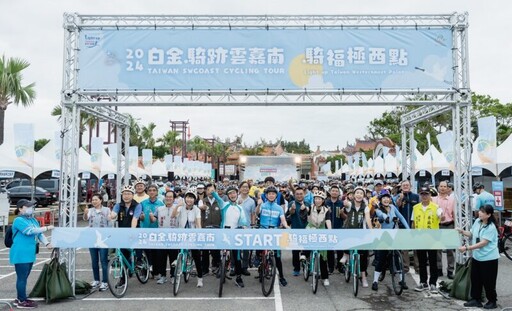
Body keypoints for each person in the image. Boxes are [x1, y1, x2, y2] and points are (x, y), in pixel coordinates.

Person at [10, 199, 54, 309]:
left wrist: (47, 243)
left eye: (31, 206)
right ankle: (21, 300)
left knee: (24, 276)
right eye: (27, 206)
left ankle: (21, 297)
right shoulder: (18, 220)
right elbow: (29, 231)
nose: (31, 208)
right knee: (22, 277)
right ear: (20, 209)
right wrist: (47, 227)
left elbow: (39, 234)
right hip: (20, 252)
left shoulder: (33, 220)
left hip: (30, 252)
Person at [457, 204, 499, 309]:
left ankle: (492, 301)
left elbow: (483, 243)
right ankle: (476, 299)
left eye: (482, 212)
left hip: (489, 258)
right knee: (475, 279)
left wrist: (467, 248)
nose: (479, 213)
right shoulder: (477, 222)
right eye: (480, 211)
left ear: (488, 215)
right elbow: (471, 234)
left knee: (488, 281)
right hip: (477, 257)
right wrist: (462, 232)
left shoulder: (491, 227)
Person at [211, 185, 249, 287]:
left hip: (235, 234)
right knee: (221, 254)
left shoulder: (240, 208)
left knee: (237, 257)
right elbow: (218, 198)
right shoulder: (224, 205)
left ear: (237, 194)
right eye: (230, 193)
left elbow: (243, 221)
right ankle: (221, 268)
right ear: (228, 195)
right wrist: (213, 192)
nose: (232, 195)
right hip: (224, 233)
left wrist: (244, 226)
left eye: (234, 193)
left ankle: (238, 277)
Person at [372, 189, 410, 291]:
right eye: (383, 198)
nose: (386, 200)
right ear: (380, 200)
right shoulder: (378, 209)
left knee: (397, 259)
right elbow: (381, 215)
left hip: (394, 234)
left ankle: (402, 280)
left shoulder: (393, 207)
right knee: (381, 259)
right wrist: (387, 218)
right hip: (383, 236)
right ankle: (375, 281)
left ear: (390, 199)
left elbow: (401, 218)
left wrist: (408, 229)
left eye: (387, 198)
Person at [255, 186, 290, 287]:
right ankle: (259, 264)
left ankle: (282, 277)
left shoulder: (279, 208)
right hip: (263, 230)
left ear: (276, 196)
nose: (271, 195)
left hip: (274, 232)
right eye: (269, 194)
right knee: (258, 249)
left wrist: (286, 226)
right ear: (266, 195)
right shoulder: (263, 205)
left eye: (273, 194)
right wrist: (258, 205)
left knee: (277, 257)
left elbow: (283, 220)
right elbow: (257, 213)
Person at [412, 186, 444, 293]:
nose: (424, 196)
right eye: (422, 194)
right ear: (420, 195)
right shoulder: (416, 207)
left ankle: (433, 283)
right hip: (420, 239)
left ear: (430, 195)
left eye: (426, 194)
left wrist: (441, 215)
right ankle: (423, 282)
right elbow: (413, 223)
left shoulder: (436, 207)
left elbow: (441, 216)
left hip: (432, 239)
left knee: (433, 261)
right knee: (421, 262)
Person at [110, 185, 142, 287]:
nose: (126, 196)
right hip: (122, 232)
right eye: (124, 194)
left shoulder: (137, 205)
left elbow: (135, 219)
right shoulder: (118, 205)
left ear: (133, 195)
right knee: (123, 255)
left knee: (137, 246)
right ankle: (122, 279)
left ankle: (139, 261)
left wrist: (132, 232)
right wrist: (111, 215)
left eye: (128, 194)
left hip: (134, 230)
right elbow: (113, 215)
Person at [173, 188, 204, 287]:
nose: (189, 200)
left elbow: (198, 223)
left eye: (191, 198)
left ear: (194, 199)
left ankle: (200, 278)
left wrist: (199, 234)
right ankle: (178, 262)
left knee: (197, 257)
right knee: (179, 251)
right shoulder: (181, 207)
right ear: (185, 198)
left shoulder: (197, 210)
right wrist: (178, 205)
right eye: (188, 197)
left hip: (192, 235)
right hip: (181, 234)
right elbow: (173, 216)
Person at [340, 186, 370, 287]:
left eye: (361, 193)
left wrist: (372, 231)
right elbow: (345, 203)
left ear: (363, 196)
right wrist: (344, 201)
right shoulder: (350, 204)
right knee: (345, 236)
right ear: (354, 195)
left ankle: (363, 277)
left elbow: (368, 220)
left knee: (363, 255)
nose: (359, 195)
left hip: (361, 232)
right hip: (349, 231)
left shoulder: (365, 207)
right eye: (357, 193)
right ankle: (345, 254)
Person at [83, 193, 111, 291]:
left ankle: (105, 281)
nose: (94, 201)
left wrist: (110, 217)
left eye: (96, 199)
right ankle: (96, 280)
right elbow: (86, 219)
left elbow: (110, 221)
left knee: (103, 260)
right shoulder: (90, 210)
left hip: (103, 239)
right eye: (93, 200)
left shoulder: (107, 210)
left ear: (101, 200)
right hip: (92, 238)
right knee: (94, 260)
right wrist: (86, 213)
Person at [305, 190, 332, 286]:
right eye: (316, 199)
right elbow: (305, 211)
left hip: (321, 231)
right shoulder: (310, 207)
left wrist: (330, 231)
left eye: (319, 199)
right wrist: (303, 208)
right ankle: (304, 254)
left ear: (323, 200)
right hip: (311, 229)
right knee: (307, 241)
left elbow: (328, 221)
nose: (317, 201)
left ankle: (325, 278)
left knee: (323, 256)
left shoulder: (326, 210)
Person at [154, 190, 179, 284]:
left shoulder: (177, 209)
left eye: (171, 197)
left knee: (173, 258)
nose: (168, 198)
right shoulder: (159, 209)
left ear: (173, 199)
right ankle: (163, 276)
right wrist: (151, 217)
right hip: (162, 237)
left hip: (173, 237)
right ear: (164, 198)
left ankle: (173, 276)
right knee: (161, 257)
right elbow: (153, 220)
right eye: (167, 196)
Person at [140, 184, 164, 279]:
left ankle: (156, 272)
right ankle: (145, 271)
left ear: (157, 192)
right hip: (145, 230)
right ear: (147, 192)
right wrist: (141, 218)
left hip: (157, 231)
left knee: (156, 252)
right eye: (150, 190)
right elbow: (140, 217)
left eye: (154, 190)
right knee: (146, 252)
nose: (152, 192)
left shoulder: (161, 203)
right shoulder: (142, 203)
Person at [395, 179, 420, 273]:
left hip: (415, 226)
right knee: (404, 248)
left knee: (416, 248)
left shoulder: (416, 197)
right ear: (401, 187)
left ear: (410, 186)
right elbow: (397, 206)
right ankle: (405, 267)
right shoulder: (398, 196)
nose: (405, 186)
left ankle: (418, 267)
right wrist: (400, 199)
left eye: (407, 185)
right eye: (403, 185)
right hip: (403, 226)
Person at [433, 180, 456, 279]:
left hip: (449, 225)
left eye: (444, 186)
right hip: (437, 226)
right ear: (438, 187)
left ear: (448, 188)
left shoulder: (452, 200)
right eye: (441, 186)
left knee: (450, 249)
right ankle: (438, 269)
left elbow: (454, 213)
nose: (442, 188)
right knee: (437, 249)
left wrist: (455, 226)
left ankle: (450, 270)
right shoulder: (433, 200)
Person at [287, 186, 310, 276]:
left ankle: (307, 267)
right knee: (295, 251)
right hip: (295, 230)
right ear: (294, 195)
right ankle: (296, 269)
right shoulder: (292, 203)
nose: (299, 196)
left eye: (301, 194)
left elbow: (309, 210)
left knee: (307, 249)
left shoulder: (307, 203)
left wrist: (305, 209)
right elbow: (290, 212)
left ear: (304, 194)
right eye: (297, 194)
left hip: (306, 230)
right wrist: (292, 209)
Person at [200, 183, 222, 276]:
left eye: (212, 190)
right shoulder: (202, 201)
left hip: (217, 228)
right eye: (208, 190)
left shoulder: (219, 202)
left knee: (216, 250)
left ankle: (216, 267)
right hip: (205, 228)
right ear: (206, 191)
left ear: (215, 191)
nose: (210, 192)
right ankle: (205, 269)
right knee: (205, 250)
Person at [324, 184, 344, 274]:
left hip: (339, 228)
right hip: (327, 229)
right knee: (330, 249)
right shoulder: (325, 202)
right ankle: (330, 267)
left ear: (339, 193)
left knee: (340, 249)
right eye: (333, 191)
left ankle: (340, 267)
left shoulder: (341, 203)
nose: (334, 192)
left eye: (336, 191)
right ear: (330, 192)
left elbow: (345, 217)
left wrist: (342, 213)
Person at [238, 181, 256, 276]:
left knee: (245, 249)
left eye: (247, 187)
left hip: (247, 227)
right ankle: (234, 267)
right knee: (234, 248)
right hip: (235, 227)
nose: (245, 189)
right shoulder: (235, 198)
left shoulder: (252, 201)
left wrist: (252, 225)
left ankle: (244, 267)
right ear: (240, 188)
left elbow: (253, 214)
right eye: (243, 187)